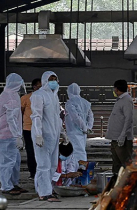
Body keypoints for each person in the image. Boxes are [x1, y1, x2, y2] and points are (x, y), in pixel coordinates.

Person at [31, 71, 69, 202]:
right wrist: (38, 134)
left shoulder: (54, 97)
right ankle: (44, 193)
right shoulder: (38, 95)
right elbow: (36, 116)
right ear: (45, 81)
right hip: (43, 135)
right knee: (43, 164)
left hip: (54, 135)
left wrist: (62, 132)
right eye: (51, 79)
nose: (54, 82)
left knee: (53, 165)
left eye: (55, 79)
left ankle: (47, 189)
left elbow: (57, 117)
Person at [0, 73, 27, 195]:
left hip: (9, 133)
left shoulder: (10, 94)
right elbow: (11, 118)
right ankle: (6, 186)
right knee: (7, 162)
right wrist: (17, 135)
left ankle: (13, 184)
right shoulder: (10, 97)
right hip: (5, 133)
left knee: (15, 161)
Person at [105, 80, 134, 175]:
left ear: (117, 89)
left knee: (125, 163)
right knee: (116, 163)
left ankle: (127, 185)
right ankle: (115, 184)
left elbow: (128, 119)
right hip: (115, 137)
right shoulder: (120, 100)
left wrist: (123, 135)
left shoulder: (126, 100)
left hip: (122, 138)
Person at [65, 83, 94, 168]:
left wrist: (84, 127)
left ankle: (78, 171)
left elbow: (75, 118)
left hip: (73, 131)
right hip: (83, 133)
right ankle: (82, 170)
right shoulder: (86, 102)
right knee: (81, 150)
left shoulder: (69, 103)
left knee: (76, 152)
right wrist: (88, 127)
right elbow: (91, 116)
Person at [21, 78, 42, 180]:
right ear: (34, 87)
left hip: (42, 129)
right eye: (39, 86)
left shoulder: (46, 97)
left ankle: (41, 171)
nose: (40, 88)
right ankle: (33, 172)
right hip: (28, 128)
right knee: (31, 151)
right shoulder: (26, 98)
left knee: (42, 151)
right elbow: (20, 112)